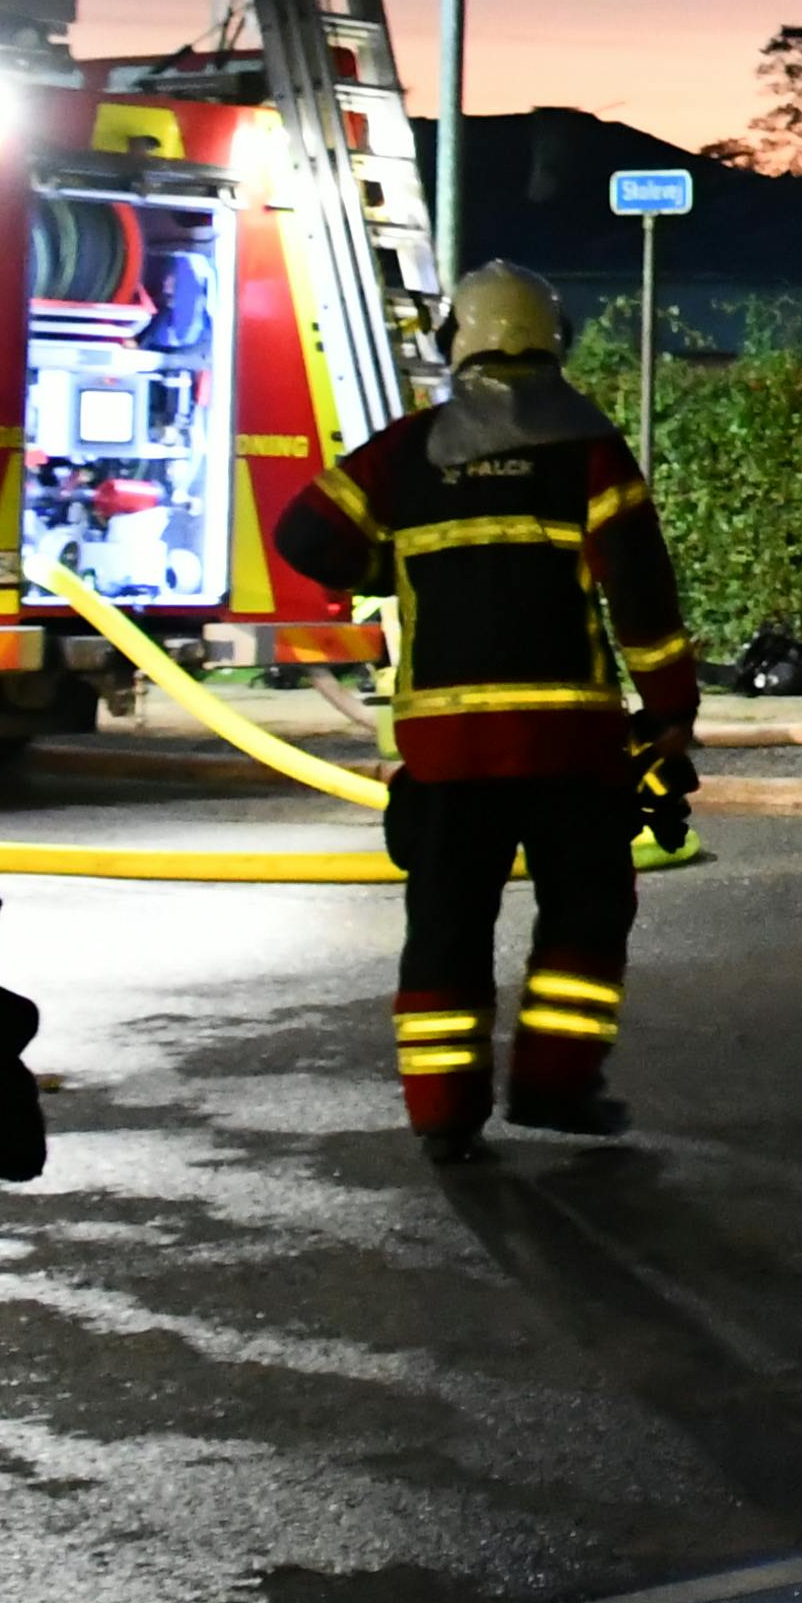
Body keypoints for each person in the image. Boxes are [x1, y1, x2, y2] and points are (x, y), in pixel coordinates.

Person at [273, 261, 698, 1160]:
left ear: (454, 342)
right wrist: (670, 712)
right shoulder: (589, 450)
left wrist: (391, 568)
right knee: (584, 916)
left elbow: (305, 532)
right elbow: (642, 596)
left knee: (446, 928)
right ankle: (553, 1085)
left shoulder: (406, 451)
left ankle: (441, 1114)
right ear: (556, 343)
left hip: (448, 750)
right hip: (569, 746)